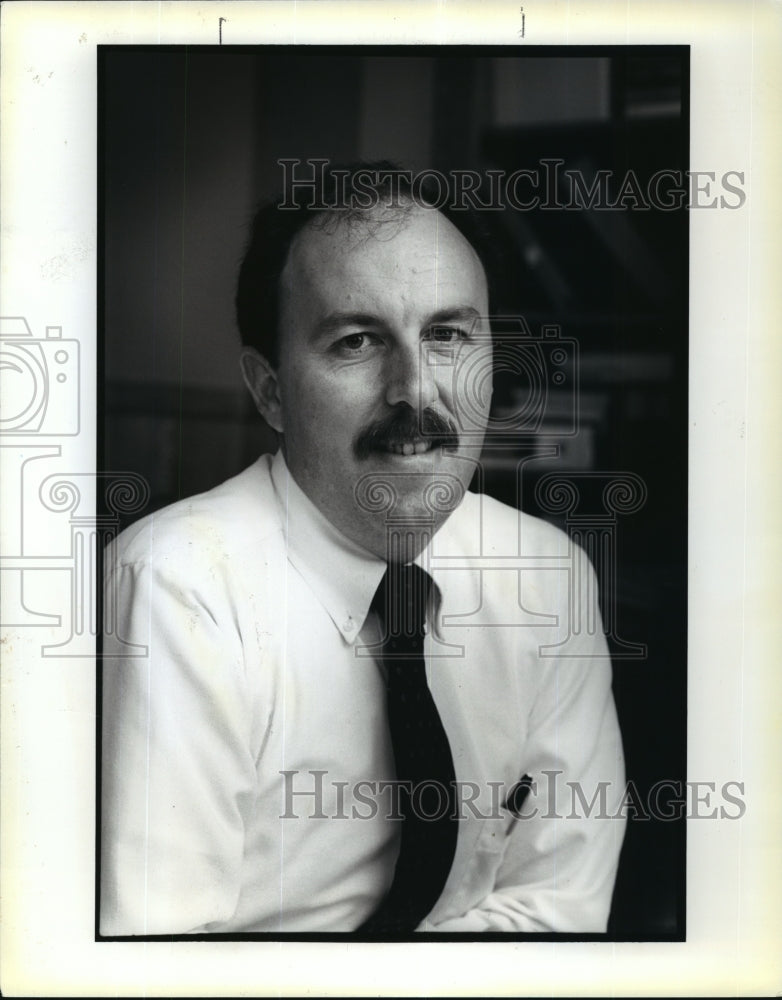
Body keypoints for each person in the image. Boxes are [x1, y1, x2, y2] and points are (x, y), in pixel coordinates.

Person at [100, 162, 626, 936]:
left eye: (447, 335)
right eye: (357, 341)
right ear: (270, 391)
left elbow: (557, 906)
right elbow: (162, 957)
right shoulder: (180, 585)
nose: (416, 390)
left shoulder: (547, 575)